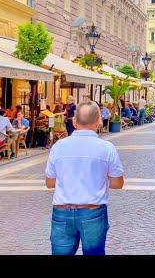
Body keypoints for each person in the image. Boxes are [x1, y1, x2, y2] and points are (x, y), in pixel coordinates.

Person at [45, 101, 125, 255]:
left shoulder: (58, 146)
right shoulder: (106, 148)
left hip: (62, 212)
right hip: (92, 211)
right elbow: (117, 183)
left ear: (74, 122)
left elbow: (50, 183)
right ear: (99, 122)